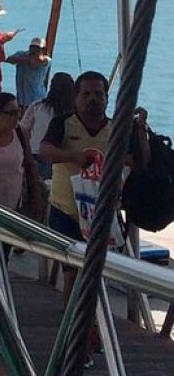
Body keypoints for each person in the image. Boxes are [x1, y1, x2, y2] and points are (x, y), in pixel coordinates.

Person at [40, 70, 149, 294]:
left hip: (101, 213)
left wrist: (140, 128)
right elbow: (45, 151)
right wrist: (75, 157)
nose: (93, 99)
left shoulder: (117, 129)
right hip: (66, 209)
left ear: (107, 98)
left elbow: (141, 161)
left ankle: (93, 322)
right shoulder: (63, 123)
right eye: (87, 94)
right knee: (72, 269)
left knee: (95, 271)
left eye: (99, 94)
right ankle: (73, 322)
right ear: (76, 97)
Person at [20, 71, 75, 180]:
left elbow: (23, 130)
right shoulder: (73, 113)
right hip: (60, 158)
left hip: (35, 153)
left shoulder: (38, 106)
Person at [6, 37, 52, 108]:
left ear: (42, 50)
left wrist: (24, 60)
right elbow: (9, 59)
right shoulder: (21, 54)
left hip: (37, 99)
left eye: (37, 48)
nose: (34, 49)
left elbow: (36, 62)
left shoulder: (47, 60)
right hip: (21, 99)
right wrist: (22, 59)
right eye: (32, 47)